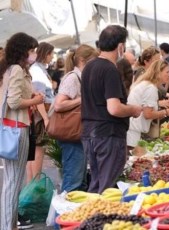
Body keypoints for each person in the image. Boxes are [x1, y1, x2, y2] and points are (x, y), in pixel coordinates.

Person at [81, 25, 142, 193]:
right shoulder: (109, 69)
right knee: (106, 188)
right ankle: (100, 217)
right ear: (120, 46)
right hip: (108, 135)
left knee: (96, 183)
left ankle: (89, 217)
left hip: (90, 134)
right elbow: (114, 108)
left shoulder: (89, 67)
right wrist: (133, 109)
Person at [0, 32, 44, 230]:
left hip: (13, 129)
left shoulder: (10, 68)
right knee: (13, 182)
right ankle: (7, 226)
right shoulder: (17, 69)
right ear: (22, 50)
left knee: (12, 181)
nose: (34, 53)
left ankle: (9, 224)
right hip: (16, 130)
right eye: (32, 49)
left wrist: (31, 96)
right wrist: (35, 100)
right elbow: (14, 101)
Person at [54, 44, 98, 193]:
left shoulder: (81, 77)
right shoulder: (73, 78)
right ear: (81, 60)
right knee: (73, 180)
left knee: (79, 180)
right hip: (72, 136)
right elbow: (59, 105)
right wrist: (82, 99)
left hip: (79, 134)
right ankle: (65, 213)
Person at [127, 59, 169, 150]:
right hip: (133, 134)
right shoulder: (150, 88)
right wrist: (166, 112)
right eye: (167, 72)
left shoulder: (146, 84)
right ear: (158, 72)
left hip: (132, 131)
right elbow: (148, 114)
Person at [27, 42, 55, 183]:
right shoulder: (37, 70)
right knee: (38, 150)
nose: (52, 57)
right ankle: (34, 183)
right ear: (46, 53)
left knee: (34, 151)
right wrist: (45, 118)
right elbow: (39, 98)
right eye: (51, 54)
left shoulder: (39, 69)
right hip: (40, 114)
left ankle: (31, 184)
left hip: (37, 114)